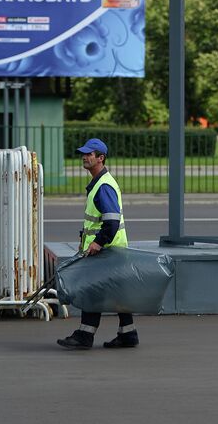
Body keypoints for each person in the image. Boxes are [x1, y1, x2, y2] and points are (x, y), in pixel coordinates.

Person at [57, 138, 139, 350]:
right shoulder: (100, 183)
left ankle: (85, 336)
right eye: (83, 153)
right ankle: (128, 335)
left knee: (91, 290)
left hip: (108, 250)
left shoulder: (103, 186)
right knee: (116, 293)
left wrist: (98, 243)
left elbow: (111, 222)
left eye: (89, 154)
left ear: (100, 158)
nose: (84, 157)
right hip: (113, 250)